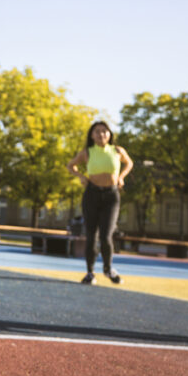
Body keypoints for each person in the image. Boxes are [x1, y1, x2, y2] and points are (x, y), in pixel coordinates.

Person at [66, 121, 134, 285]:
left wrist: (121, 177)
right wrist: (81, 177)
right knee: (91, 235)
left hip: (111, 196)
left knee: (106, 236)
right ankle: (90, 273)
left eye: (104, 131)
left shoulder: (117, 151)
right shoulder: (87, 152)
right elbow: (71, 165)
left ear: (110, 134)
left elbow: (129, 163)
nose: (101, 134)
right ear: (91, 135)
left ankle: (108, 269)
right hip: (92, 195)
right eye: (97, 131)